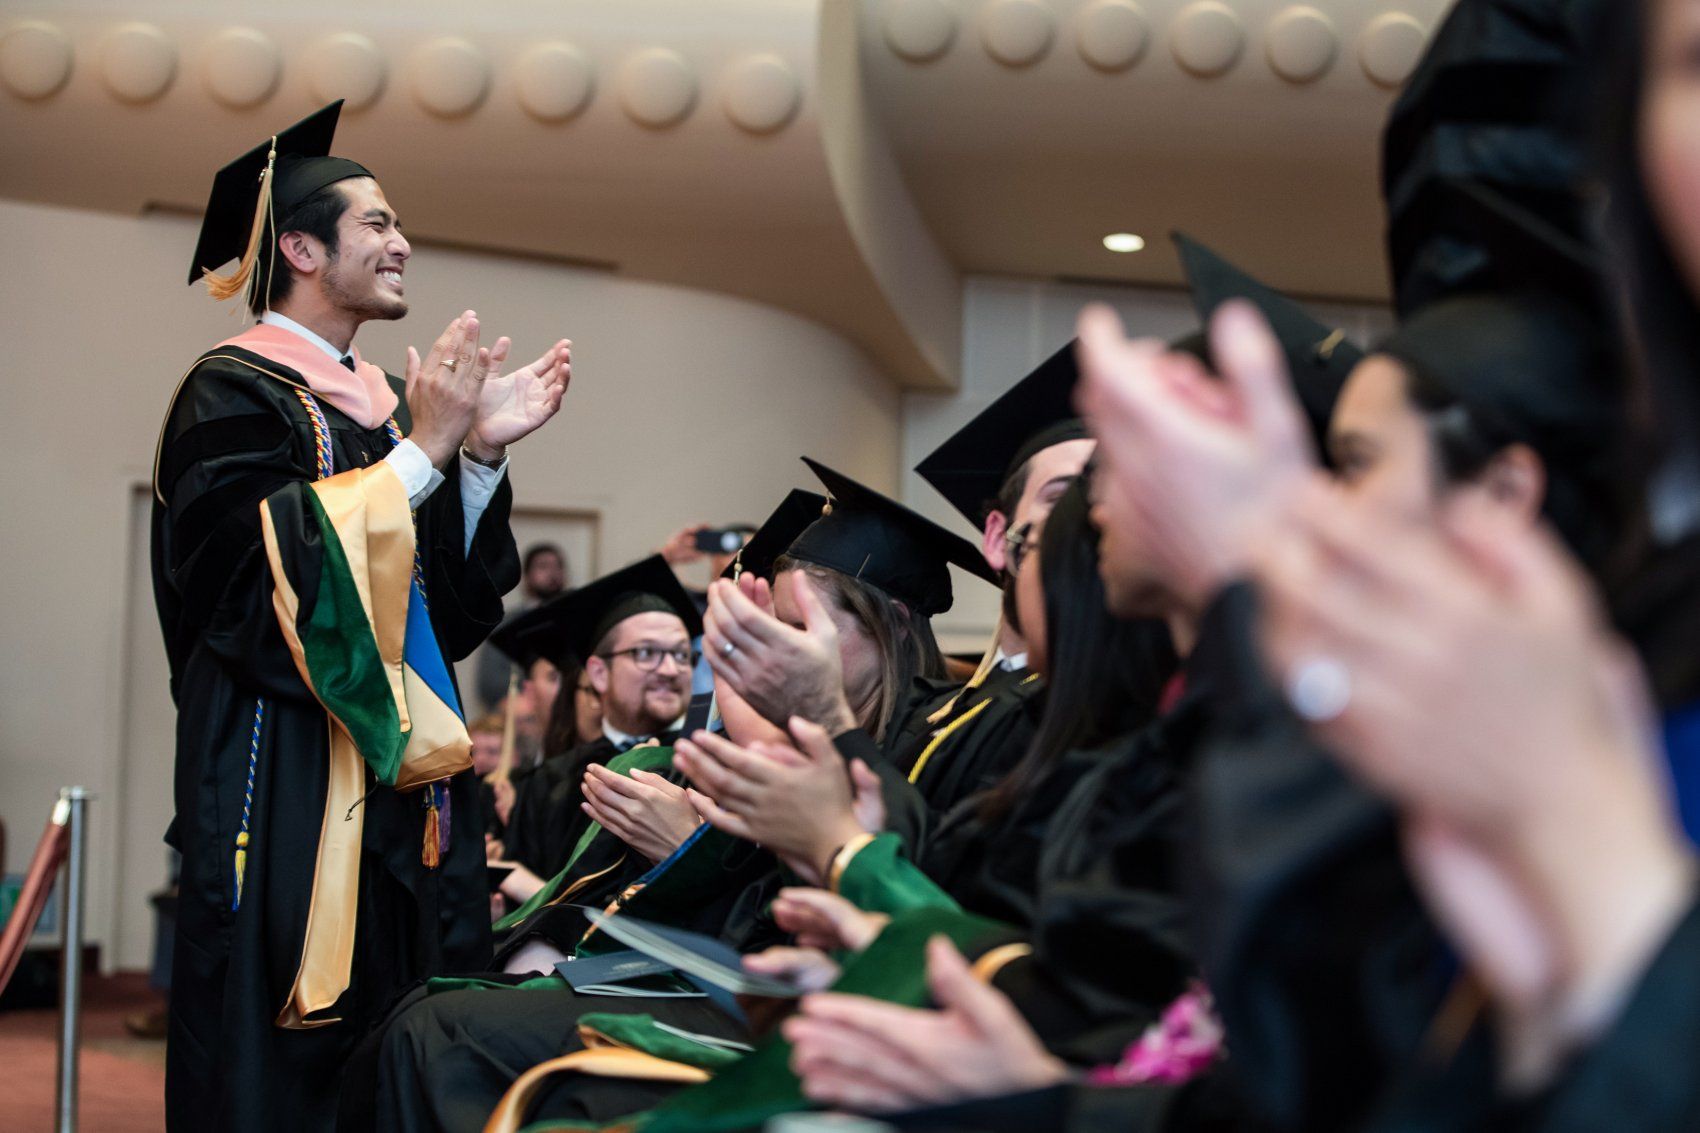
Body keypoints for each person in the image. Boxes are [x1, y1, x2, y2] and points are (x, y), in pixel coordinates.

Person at [152, 101, 570, 1132]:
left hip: (396, 793)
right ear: (299, 246)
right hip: (281, 774)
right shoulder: (229, 394)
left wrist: (475, 457)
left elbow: (446, 609)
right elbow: (261, 588)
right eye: (376, 223)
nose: (403, 242)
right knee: (277, 1066)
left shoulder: (384, 403)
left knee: (395, 1036)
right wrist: (425, 451)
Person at [485, 555, 700, 896]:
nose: (671, 670)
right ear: (598, 673)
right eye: (646, 653)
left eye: (681, 654)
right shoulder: (548, 782)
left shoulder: (709, 768)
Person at [475, 542, 571, 711]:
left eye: (558, 566)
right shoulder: (507, 624)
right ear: (526, 576)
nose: (552, 573)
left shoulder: (573, 618)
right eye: (543, 567)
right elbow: (490, 682)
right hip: (519, 713)